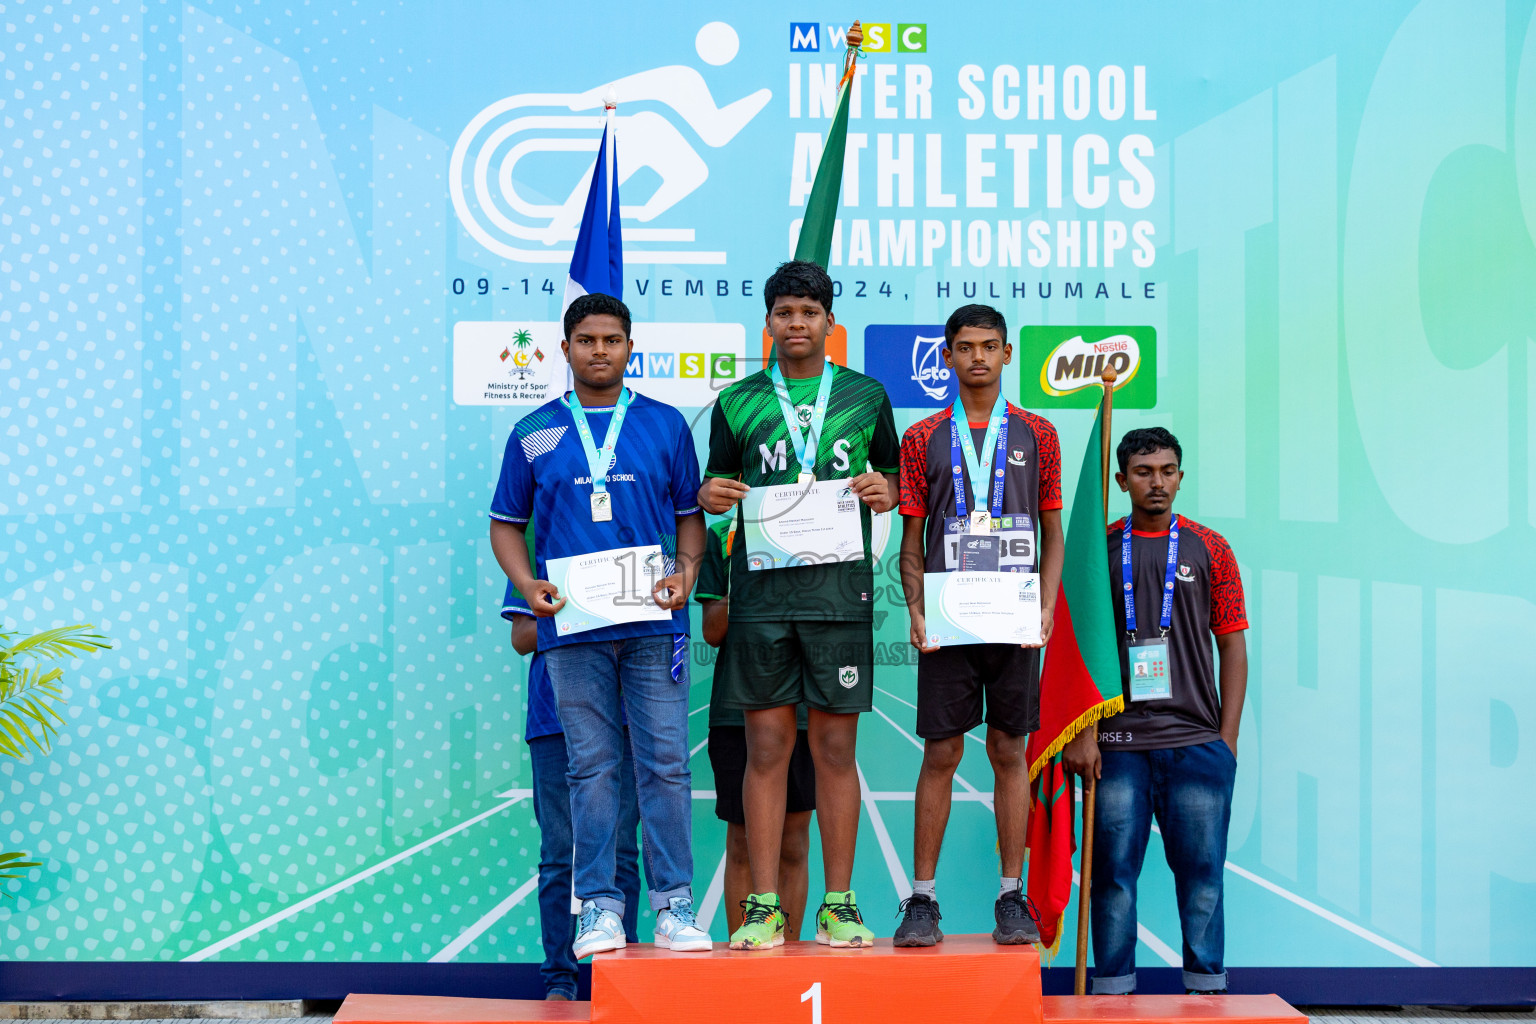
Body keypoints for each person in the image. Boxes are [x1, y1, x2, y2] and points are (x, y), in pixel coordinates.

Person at [489, 292, 710, 958]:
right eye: (586, 340)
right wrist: (528, 587)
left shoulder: (666, 425)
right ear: (565, 349)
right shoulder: (535, 431)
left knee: (665, 769)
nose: (599, 351)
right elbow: (505, 524)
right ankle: (600, 910)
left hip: (651, 627)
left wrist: (688, 575)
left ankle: (674, 908)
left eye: (612, 340)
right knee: (589, 771)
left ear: (630, 348)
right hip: (572, 633)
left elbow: (689, 519)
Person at [698, 259, 900, 950]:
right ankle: (762, 907)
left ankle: (838, 905)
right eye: (784, 312)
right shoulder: (737, 401)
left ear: (829, 323)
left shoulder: (867, 395)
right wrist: (712, 497)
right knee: (766, 746)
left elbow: (893, 479)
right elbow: (717, 491)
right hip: (760, 598)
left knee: (836, 746)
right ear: (768, 323)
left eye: (808, 313)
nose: (796, 323)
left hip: (839, 596)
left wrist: (885, 491)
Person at [893, 303, 1064, 946]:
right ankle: (923, 900)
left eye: (989, 346)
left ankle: (1012, 897)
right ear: (947, 355)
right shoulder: (922, 437)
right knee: (941, 751)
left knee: (1009, 751)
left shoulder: (1039, 434)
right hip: (948, 614)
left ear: (1007, 354)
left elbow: (1052, 531)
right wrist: (914, 608)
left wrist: (1045, 607)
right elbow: (913, 539)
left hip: (1016, 616)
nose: (977, 358)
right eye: (964, 347)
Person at [1062, 427, 1249, 995]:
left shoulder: (1209, 548)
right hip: (1117, 747)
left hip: (1196, 742)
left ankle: (1207, 989)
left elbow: (1233, 646)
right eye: (1144, 472)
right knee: (1112, 877)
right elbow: (1078, 649)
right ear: (1121, 481)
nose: (1157, 482)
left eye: (1167, 470)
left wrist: (1227, 739)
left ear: (1181, 477)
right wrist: (1083, 732)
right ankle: (1112, 993)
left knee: (1202, 879)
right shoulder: (1099, 551)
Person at [503, 579, 643, 999]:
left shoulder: (629, 544)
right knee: (560, 854)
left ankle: (619, 978)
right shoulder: (533, 551)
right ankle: (561, 982)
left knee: (620, 850)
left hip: (619, 716)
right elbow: (522, 637)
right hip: (554, 721)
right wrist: (581, 608)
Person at [695, 519, 815, 941]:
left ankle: (792, 955)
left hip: (802, 708)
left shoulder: (818, 527)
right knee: (742, 840)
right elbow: (712, 630)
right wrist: (754, 574)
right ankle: (743, 954)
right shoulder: (724, 535)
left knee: (794, 843)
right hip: (736, 710)